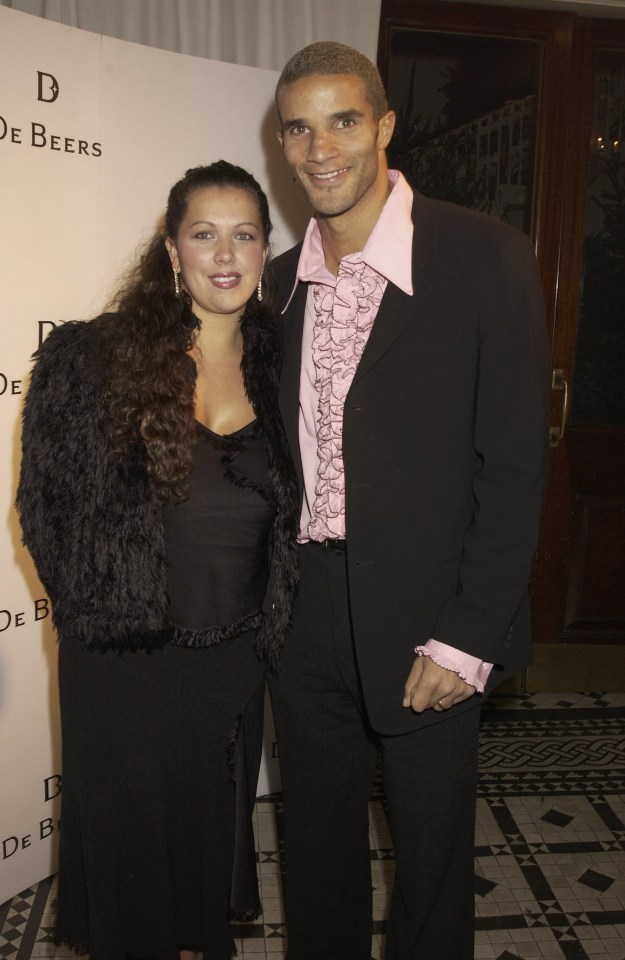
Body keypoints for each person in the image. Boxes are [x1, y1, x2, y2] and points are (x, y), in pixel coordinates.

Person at [268, 41, 550, 960]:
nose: (321, 148)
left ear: (384, 127)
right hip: (305, 616)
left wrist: (468, 635)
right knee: (314, 852)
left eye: (343, 119)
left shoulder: (482, 257)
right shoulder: (275, 284)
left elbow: (512, 469)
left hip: (432, 620)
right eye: (298, 128)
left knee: (430, 870)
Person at [16, 160, 298, 960]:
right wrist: (100, 621)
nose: (224, 253)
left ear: (263, 249)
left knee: (200, 864)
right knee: (132, 876)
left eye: (243, 234)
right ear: (171, 250)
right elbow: (46, 506)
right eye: (203, 234)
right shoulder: (92, 358)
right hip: (125, 661)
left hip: (232, 664)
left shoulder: (282, 366)